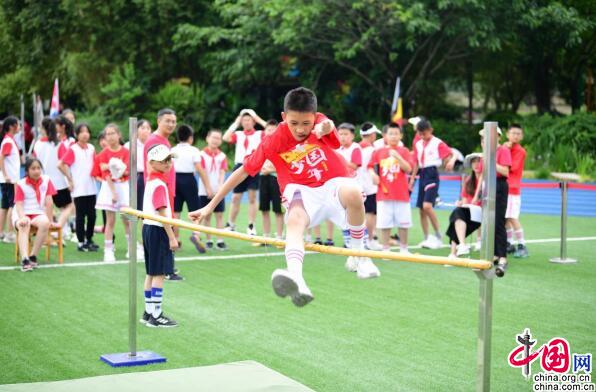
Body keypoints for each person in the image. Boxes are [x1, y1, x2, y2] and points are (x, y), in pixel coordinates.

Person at [190, 87, 380, 308]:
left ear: (314, 116)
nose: (300, 129)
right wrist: (210, 206)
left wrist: (328, 128)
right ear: (284, 117)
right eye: (294, 123)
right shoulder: (274, 140)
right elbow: (242, 171)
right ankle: (296, 279)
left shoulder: (321, 121)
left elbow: (336, 143)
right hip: (300, 189)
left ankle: (360, 255)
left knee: (354, 193)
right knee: (295, 219)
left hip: (332, 183)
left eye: (306, 124)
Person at [140, 144, 179, 328]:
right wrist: (171, 236)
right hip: (158, 230)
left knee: (151, 272)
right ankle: (156, 314)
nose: (168, 163)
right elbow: (162, 212)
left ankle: (148, 312)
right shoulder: (159, 184)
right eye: (164, 160)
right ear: (152, 162)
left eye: (169, 160)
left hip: (149, 228)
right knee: (159, 274)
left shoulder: (151, 181)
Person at [93, 123, 142, 262]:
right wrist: (113, 193)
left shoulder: (126, 152)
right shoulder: (103, 153)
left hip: (123, 186)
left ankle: (132, 248)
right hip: (109, 188)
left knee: (127, 219)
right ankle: (108, 251)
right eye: (107, 134)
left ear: (119, 135)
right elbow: (106, 174)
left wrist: (114, 167)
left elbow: (126, 170)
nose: (110, 137)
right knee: (110, 220)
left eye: (112, 133)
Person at [143, 109, 182, 281]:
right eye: (168, 121)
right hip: (160, 192)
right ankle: (167, 269)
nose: (171, 124)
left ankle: (168, 267)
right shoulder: (153, 141)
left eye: (174, 121)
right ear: (158, 121)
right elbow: (148, 169)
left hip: (166, 190)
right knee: (165, 227)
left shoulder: (164, 140)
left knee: (169, 225)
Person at [408, 117, 455, 249]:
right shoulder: (418, 144)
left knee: (427, 206)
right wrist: (412, 178)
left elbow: (451, 153)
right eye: (420, 134)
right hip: (421, 174)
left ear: (430, 130)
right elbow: (416, 162)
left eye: (424, 133)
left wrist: (450, 161)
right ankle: (427, 237)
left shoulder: (437, 143)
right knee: (422, 210)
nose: (422, 136)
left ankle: (438, 236)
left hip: (432, 173)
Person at [368, 123, 414, 254]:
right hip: (384, 193)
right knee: (384, 224)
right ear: (385, 136)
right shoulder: (378, 152)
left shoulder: (404, 151)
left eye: (396, 133)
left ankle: (404, 249)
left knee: (404, 223)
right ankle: (385, 249)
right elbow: (370, 166)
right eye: (391, 133)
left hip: (401, 194)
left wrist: (397, 157)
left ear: (401, 136)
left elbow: (408, 168)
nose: (393, 136)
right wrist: (373, 175)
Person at [222, 109, 266, 235]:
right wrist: (236, 122)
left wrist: (257, 118)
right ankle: (230, 224)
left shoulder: (260, 134)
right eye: (244, 120)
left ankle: (251, 225)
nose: (246, 122)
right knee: (236, 197)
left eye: (249, 120)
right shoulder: (239, 134)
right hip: (239, 166)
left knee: (252, 197)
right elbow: (225, 137)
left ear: (253, 121)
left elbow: (271, 131)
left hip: (254, 165)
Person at [171, 124, 212, 252]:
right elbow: (200, 169)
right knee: (196, 210)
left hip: (175, 180)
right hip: (189, 180)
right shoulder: (194, 150)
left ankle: (176, 239)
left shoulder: (172, 150)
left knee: (176, 212)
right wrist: (208, 187)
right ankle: (196, 235)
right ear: (190, 138)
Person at [58, 123, 99, 252]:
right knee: (80, 216)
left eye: (87, 131)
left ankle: (89, 239)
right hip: (79, 189)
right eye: (82, 132)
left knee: (92, 215)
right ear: (77, 134)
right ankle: (81, 242)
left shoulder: (91, 148)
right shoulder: (73, 149)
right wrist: (70, 179)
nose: (85, 134)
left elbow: (95, 165)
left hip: (91, 187)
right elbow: (61, 164)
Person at [13, 158, 56, 271]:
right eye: (33, 168)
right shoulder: (21, 184)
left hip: (38, 213)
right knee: (24, 224)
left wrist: (50, 220)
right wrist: (22, 218)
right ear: (27, 171)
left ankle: (33, 256)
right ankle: (25, 259)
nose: (36, 171)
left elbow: (49, 202)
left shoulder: (46, 180)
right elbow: (19, 205)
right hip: (21, 213)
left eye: (38, 168)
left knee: (45, 223)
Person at [479, 128, 511, 271]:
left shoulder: (503, 150)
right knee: (488, 221)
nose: (484, 140)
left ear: (497, 137)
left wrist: (490, 159)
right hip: (488, 185)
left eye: (487, 137)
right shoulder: (486, 153)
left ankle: (502, 256)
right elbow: (481, 172)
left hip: (499, 185)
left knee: (498, 221)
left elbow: (505, 171)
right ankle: (494, 254)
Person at [446, 153, 483, 259]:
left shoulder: (487, 181)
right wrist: (461, 203)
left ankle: (454, 252)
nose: (476, 164)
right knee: (457, 214)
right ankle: (460, 247)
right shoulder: (468, 181)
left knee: (457, 216)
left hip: (483, 214)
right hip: (470, 212)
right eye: (474, 162)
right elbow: (465, 200)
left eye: (479, 161)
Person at [199, 129, 229, 250]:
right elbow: (202, 172)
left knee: (219, 215)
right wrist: (208, 189)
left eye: (218, 138)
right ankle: (209, 240)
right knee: (207, 215)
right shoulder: (201, 154)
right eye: (213, 137)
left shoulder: (222, 156)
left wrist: (220, 189)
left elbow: (222, 173)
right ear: (207, 138)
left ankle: (220, 240)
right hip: (203, 190)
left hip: (218, 191)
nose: (215, 140)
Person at [256, 120, 284, 245]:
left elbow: (285, 164)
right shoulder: (261, 145)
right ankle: (266, 238)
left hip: (276, 179)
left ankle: (279, 238)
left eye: (274, 130)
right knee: (264, 209)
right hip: (263, 179)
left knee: (278, 210)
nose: (271, 132)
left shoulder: (282, 146)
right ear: (265, 131)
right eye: (268, 130)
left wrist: (270, 169)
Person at [504, 124, 529, 258]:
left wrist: (505, 150)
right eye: (513, 133)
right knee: (506, 218)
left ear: (522, 136)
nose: (516, 136)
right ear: (508, 134)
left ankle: (522, 245)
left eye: (518, 133)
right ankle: (509, 243)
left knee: (513, 217)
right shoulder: (506, 148)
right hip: (505, 187)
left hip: (512, 189)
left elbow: (510, 167)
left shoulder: (520, 151)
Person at [358, 122, 383, 250]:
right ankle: (369, 239)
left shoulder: (355, 147)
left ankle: (359, 239)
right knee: (371, 213)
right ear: (372, 135)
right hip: (369, 185)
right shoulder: (372, 150)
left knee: (359, 213)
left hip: (356, 185)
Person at [53, 115, 76, 242]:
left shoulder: (70, 142)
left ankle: (66, 230)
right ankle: (63, 229)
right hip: (63, 177)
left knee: (69, 206)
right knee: (68, 206)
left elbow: (69, 162)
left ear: (63, 127)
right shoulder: (62, 141)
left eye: (57, 125)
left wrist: (70, 179)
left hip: (68, 177)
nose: (55, 127)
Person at [0, 116, 20, 244]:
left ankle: (1, 232)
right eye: (18, 125)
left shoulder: (8, 140)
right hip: (10, 179)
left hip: (8, 179)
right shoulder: (8, 141)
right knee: (13, 205)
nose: (20, 127)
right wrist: (6, 174)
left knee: (5, 206)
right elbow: (1, 158)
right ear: (12, 126)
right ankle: (10, 233)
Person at [124, 119, 152, 210]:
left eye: (148, 128)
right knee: (136, 208)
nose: (146, 130)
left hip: (151, 177)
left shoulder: (153, 144)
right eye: (143, 128)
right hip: (136, 177)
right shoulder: (129, 145)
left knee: (149, 207)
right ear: (136, 130)